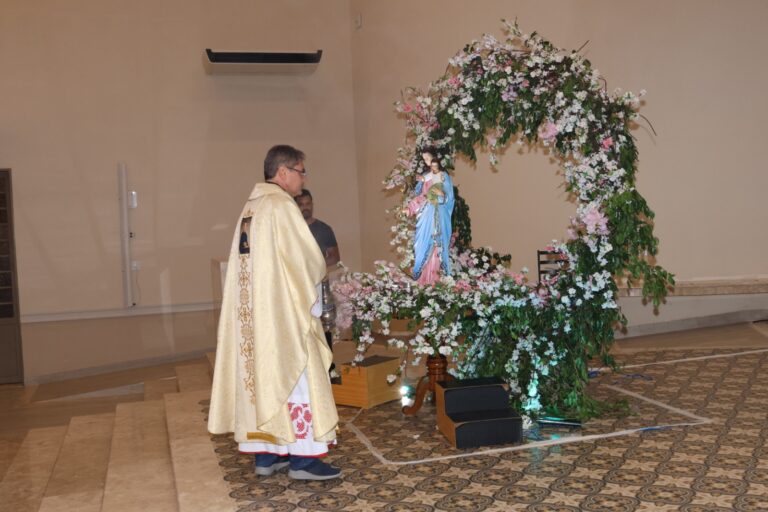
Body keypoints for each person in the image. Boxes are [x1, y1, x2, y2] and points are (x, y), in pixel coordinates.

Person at [208, 145, 341, 481]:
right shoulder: (281, 206)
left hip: (255, 318)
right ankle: (304, 461)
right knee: (298, 379)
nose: (304, 178)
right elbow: (307, 260)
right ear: (283, 172)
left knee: (265, 382)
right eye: (301, 170)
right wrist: (311, 299)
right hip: (282, 316)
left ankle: (269, 455)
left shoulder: (251, 207)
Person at [406, 148, 455, 285]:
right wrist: (410, 208)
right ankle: (422, 279)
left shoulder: (443, 175)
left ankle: (436, 280)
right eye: (425, 160)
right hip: (426, 215)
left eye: (428, 159)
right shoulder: (426, 177)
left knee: (437, 246)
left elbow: (448, 197)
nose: (427, 162)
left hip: (438, 214)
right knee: (421, 245)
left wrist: (441, 195)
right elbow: (421, 196)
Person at [295, 189, 341, 267]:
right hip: (296, 278)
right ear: (295, 206)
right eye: (301, 204)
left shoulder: (324, 229)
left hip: (320, 278)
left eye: (308, 204)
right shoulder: (289, 229)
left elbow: (335, 258)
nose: (305, 207)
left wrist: (314, 267)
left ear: (312, 205)